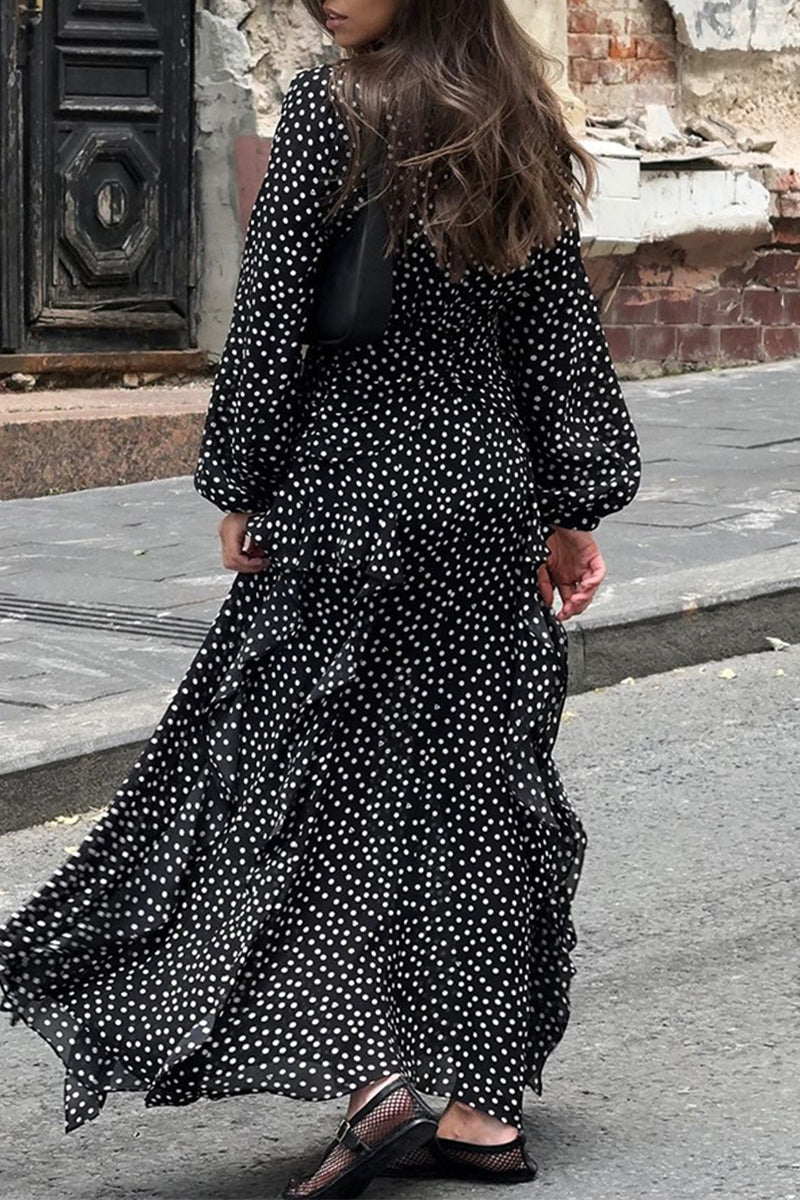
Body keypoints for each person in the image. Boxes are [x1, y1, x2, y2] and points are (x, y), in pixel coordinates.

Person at [0, 0, 642, 1196]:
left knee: (308, 789)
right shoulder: (514, 113)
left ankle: (374, 1082)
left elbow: (273, 311)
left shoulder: (335, 106)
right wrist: (572, 509)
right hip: (480, 493)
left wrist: (240, 481)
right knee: (476, 795)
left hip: (349, 495)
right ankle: (479, 1114)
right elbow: (557, 333)